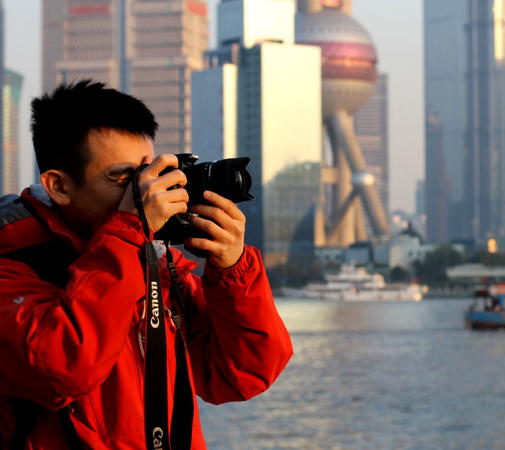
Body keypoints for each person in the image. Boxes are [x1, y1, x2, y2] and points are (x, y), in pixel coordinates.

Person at [0, 80, 293, 448]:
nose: (143, 192)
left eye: (146, 173)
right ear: (59, 186)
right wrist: (130, 231)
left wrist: (232, 268)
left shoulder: (151, 261)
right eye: (122, 178)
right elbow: (63, 367)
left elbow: (243, 374)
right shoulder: (12, 265)